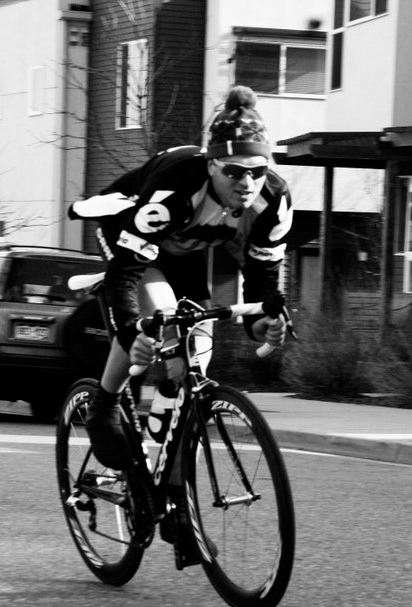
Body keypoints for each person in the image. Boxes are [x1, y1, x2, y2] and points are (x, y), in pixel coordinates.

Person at [68, 85, 294, 471]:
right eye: (235, 172)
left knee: (197, 356)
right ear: (211, 165)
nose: (247, 182)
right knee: (159, 315)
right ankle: (104, 407)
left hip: (186, 250)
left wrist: (264, 324)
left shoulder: (274, 201)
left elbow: (261, 282)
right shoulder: (177, 188)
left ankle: (172, 475)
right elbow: (127, 274)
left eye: (257, 171)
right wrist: (131, 332)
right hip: (129, 233)